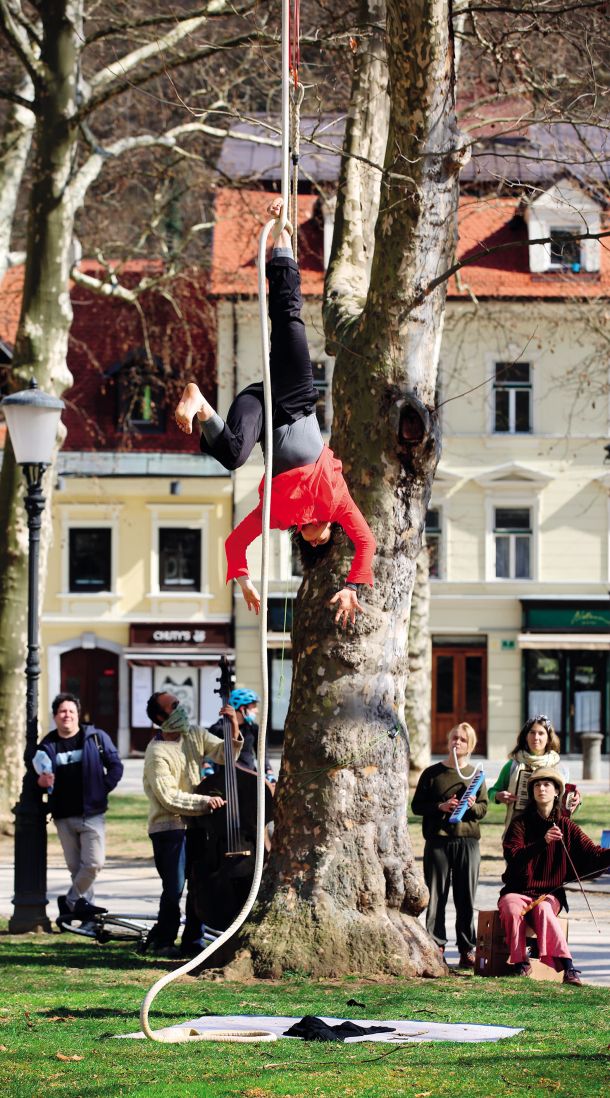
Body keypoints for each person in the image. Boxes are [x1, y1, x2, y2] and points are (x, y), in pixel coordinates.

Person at [175, 197, 376, 630]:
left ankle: (200, 403)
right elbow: (366, 543)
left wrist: (244, 581)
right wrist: (353, 586)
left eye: (313, 536)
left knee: (233, 455)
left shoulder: (277, 515)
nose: (315, 529)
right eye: (322, 534)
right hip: (298, 397)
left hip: (262, 408)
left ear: (305, 542)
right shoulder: (339, 504)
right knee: (287, 319)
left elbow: (235, 542)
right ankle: (284, 238)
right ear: (329, 533)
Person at [143, 691, 243, 957]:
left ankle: (193, 941)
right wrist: (203, 803)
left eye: (179, 703)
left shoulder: (195, 734)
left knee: (199, 883)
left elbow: (226, 756)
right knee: (174, 888)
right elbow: (168, 798)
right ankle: (164, 940)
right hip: (169, 828)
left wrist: (233, 725)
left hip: (196, 826)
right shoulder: (156, 752)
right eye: (173, 706)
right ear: (160, 717)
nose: (180, 708)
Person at [498, 768, 610, 985]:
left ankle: (568, 968)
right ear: (531, 792)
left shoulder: (566, 826)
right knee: (511, 907)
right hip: (517, 890)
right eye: (537, 785)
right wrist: (543, 842)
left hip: (549, 893)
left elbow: (593, 853)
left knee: (543, 909)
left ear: (557, 791)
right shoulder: (519, 823)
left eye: (547, 785)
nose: (542, 788)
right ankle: (521, 964)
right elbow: (513, 856)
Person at [33, 692, 123, 926]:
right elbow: (37, 776)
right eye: (62, 711)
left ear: (78, 714)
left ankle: (71, 901)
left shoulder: (95, 737)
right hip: (63, 816)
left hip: (91, 814)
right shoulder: (47, 744)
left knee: (93, 864)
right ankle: (88, 918)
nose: (67, 715)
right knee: (76, 869)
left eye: (71, 711)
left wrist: (102, 789)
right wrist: (40, 783)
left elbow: (116, 766)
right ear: (55, 716)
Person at [411, 722, 488, 968]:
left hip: (467, 842)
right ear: (448, 741)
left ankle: (467, 949)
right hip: (438, 841)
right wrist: (440, 807)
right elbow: (416, 807)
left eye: (463, 739)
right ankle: (436, 946)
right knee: (436, 897)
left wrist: (471, 805)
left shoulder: (477, 776)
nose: (457, 742)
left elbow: (483, 809)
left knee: (466, 896)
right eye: (454, 738)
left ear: (470, 745)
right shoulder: (432, 773)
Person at [488, 714, 580, 835]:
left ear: (549, 738)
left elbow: (567, 801)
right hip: (518, 829)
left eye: (541, 733)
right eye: (532, 732)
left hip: (550, 829)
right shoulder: (512, 765)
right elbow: (492, 792)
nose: (536, 737)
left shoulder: (560, 768)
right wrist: (497, 796)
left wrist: (576, 800)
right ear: (526, 736)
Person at [206, 688, 275, 781]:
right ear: (242, 708)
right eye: (254, 706)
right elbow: (208, 754)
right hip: (223, 779)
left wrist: (269, 771)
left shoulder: (254, 729)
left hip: (249, 777)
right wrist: (207, 767)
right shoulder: (218, 728)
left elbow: (262, 755)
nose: (257, 711)